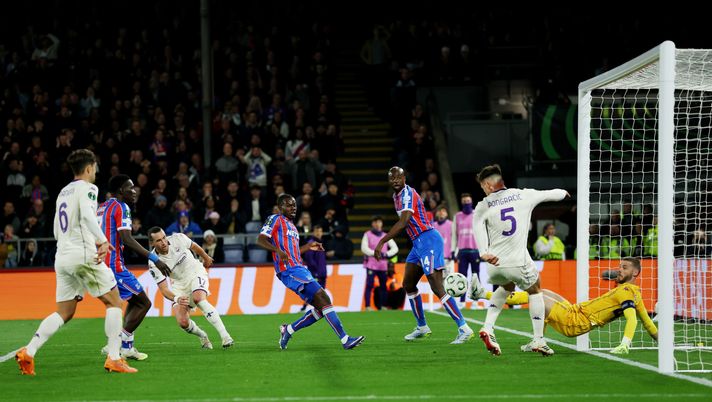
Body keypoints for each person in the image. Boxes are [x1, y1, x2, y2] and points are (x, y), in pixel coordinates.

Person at [15, 149, 136, 375]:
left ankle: (28, 352)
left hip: (62, 256)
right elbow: (88, 217)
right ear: (89, 168)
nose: (96, 171)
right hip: (83, 253)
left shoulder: (63, 192)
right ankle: (114, 357)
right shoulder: (89, 188)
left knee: (65, 311)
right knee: (114, 302)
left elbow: (55, 227)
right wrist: (101, 241)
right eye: (95, 167)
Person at [472, 164, 569, 356]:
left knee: (506, 287)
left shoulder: (483, 205)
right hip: (516, 261)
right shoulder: (524, 194)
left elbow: (477, 226)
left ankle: (488, 328)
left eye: (483, 186)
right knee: (536, 289)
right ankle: (539, 340)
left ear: (489, 185)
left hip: (493, 264)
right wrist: (564, 193)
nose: (483, 190)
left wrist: (483, 252)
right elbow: (551, 194)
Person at [469, 257, 657, 355]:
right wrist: (664, 342)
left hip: (575, 321)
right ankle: (537, 339)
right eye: (619, 266)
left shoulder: (627, 293)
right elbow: (648, 324)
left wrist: (625, 344)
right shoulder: (633, 293)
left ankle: (481, 294)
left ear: (636, 273)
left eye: (624, 267)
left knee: (536, 296)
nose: (619, 269)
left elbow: (633, 318)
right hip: (575, 310)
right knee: (541, 292)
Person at [374, 167, 473, 343]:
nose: (395, 180)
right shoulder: (395, 197)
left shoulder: (407, 194)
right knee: (408, 284)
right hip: (417, 244)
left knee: (436, 285)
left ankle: (464, 328)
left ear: (404, 178)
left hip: (428, 240)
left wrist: (382, 241)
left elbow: (404, 222)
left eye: (398, 177)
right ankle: (422, 326)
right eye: (392, 178)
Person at [257, 194, 364, 350]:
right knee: (323, 297)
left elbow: (293, 252)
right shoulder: (275, 219)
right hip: (288, 269)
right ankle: (345, 339)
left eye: (294, 205)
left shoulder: (293, 226)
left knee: (321, 308)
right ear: (280, 207)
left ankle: (289, 330)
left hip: (299, 267)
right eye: (288, 205)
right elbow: (260, 239)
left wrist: (309, 247)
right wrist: (277, 250)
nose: (293, 208)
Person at [97, 174, 171, 361]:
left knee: (134, 300)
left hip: (101, 262)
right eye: (130, 188)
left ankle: (123, 345)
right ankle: (120, 344)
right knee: (144, 303)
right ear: (121, 191)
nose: (134, 191)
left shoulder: (102, 207)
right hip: (113, 265)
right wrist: (154, 257)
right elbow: (127, 239)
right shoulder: (121, 207)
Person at [147, 227, 234, 349]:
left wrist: (206, 257)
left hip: (195, 272)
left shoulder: (178, 238)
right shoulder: (153, 262)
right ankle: (202, 335)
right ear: (152, 243)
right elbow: (164, 289)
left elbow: (194, 246)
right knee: (183, 322)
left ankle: (225, 336)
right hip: (178, 284)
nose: (163, 242)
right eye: (158, 241)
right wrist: (176, 298)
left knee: (199, 299)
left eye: (164, 238)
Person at [361, 215, 398, 311]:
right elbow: (364, 248)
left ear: (381, 223)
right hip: (371, 264)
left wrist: (386, 254)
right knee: (369, 285)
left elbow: (395, 248)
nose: (377, 224)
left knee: (383, 286)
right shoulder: (367, 234)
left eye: (379, 222)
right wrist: (375, 253)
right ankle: (368, 306)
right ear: (372, 223)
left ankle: (383, 306)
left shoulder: (386, 235)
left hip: (382, 266)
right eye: (375, 222)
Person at [452, 193, 480, 289]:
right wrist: (453, 250)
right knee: (461, 278)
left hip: (475, 251)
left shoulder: (477, 214)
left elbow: (482, 233)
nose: (466, 203)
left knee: (476, 277)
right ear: (461, 203)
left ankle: (476, 302)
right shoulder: (457, 216)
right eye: (464, 202)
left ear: (471, 202)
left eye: (468, 201)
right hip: (462, 251)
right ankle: (462, 301)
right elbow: (454, 235)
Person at [300, 224, 328, 311]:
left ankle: (317, 308)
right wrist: (315, 271)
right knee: (316, 293)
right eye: (317, 231)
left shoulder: (319, 244)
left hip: (321, 273)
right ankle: (305, 308)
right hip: (316, 273)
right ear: (314, 232)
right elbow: (309, 259)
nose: (319, 233)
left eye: (320, 231)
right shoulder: (312, 243)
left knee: (319, 293)